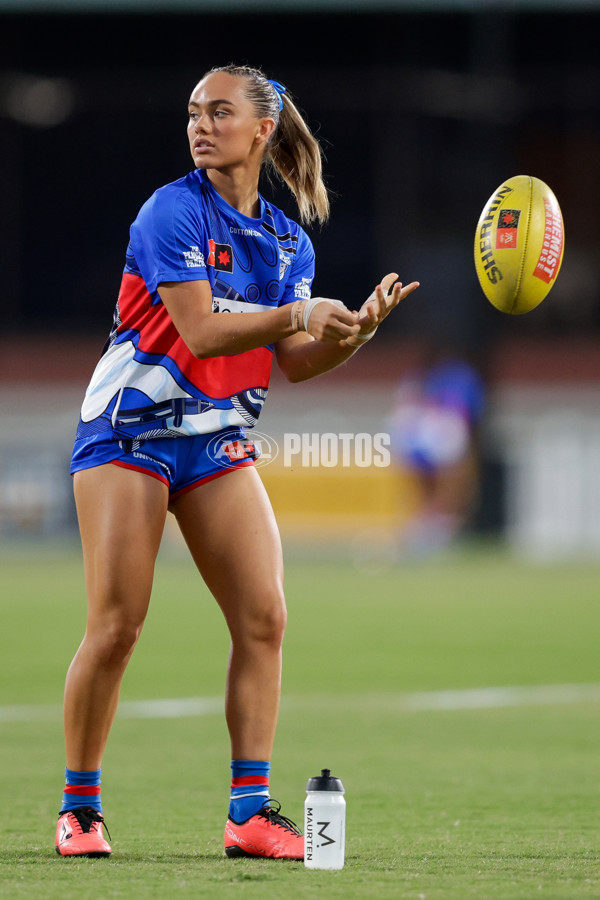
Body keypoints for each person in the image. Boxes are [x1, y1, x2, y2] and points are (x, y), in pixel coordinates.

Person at [55, 64, 419, 860]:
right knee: (117, 627)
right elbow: (203, 333)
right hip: (131, 431)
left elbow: (291, 361)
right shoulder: (170, 211)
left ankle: (249, 812)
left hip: (217, 437)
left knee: (265, 616)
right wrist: (299, 312)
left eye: (219, 112)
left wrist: (351, 337)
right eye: (193, 111)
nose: (200, 124)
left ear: (261, 131)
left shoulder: (287, 241)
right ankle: (80, 809)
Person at [385, 345, 485, 557]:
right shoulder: (416, 381)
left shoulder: (460, 379)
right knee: (439, 486)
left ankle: (436, 528)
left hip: (439, 440)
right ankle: (429, 528)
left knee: (449, 484)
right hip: (424, 440)